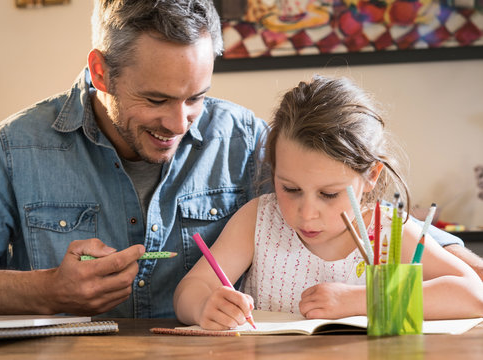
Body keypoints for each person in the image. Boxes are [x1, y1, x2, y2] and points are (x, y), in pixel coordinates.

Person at [0, 0, 477, 318]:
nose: (180, 124)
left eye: (196, 97)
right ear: (101, 72)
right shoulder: (16, 150)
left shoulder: (247, 139)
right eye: (155, 100)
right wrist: (45, 291)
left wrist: (444, 257)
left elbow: (344, 197)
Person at [173, 76, 483, 329]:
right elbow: (190, 290)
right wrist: (204, 306)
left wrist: (361, 300)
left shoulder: (388, 231)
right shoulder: (258, 219)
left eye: (330, 194)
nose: (306, 214)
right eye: (290, 188)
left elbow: (473, 294)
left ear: (371, 176)